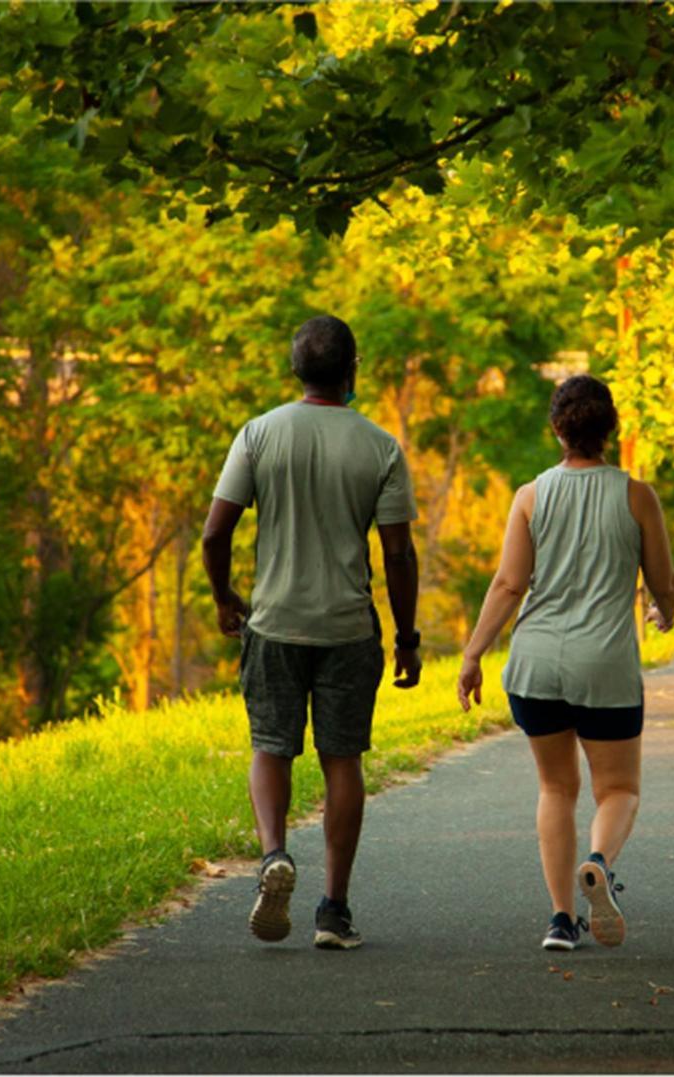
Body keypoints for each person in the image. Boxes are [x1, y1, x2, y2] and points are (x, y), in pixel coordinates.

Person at [200, 314, 422, 951]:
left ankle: (274, 855)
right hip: (348, 628)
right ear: (353, 369)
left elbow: (216, 533)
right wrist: (406, 636)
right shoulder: (379, 446)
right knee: (341, 759)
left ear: (296, 369)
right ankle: (334, 909)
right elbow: (398, 554)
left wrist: (225, 599)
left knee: (271, 745)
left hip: (273, 624)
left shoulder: (259, 434)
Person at [456, 374, 674, 952]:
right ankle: (598, 864)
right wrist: (665, 611)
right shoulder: (637, 496)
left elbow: (509, 584)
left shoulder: (531, 496)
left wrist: (474, 653)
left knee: (556, 789)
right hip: (603, 666)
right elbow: (664, 583)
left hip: (536, 665)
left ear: (557, 429)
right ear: (611, 429)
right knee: (619, 789)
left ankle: (560, 921)